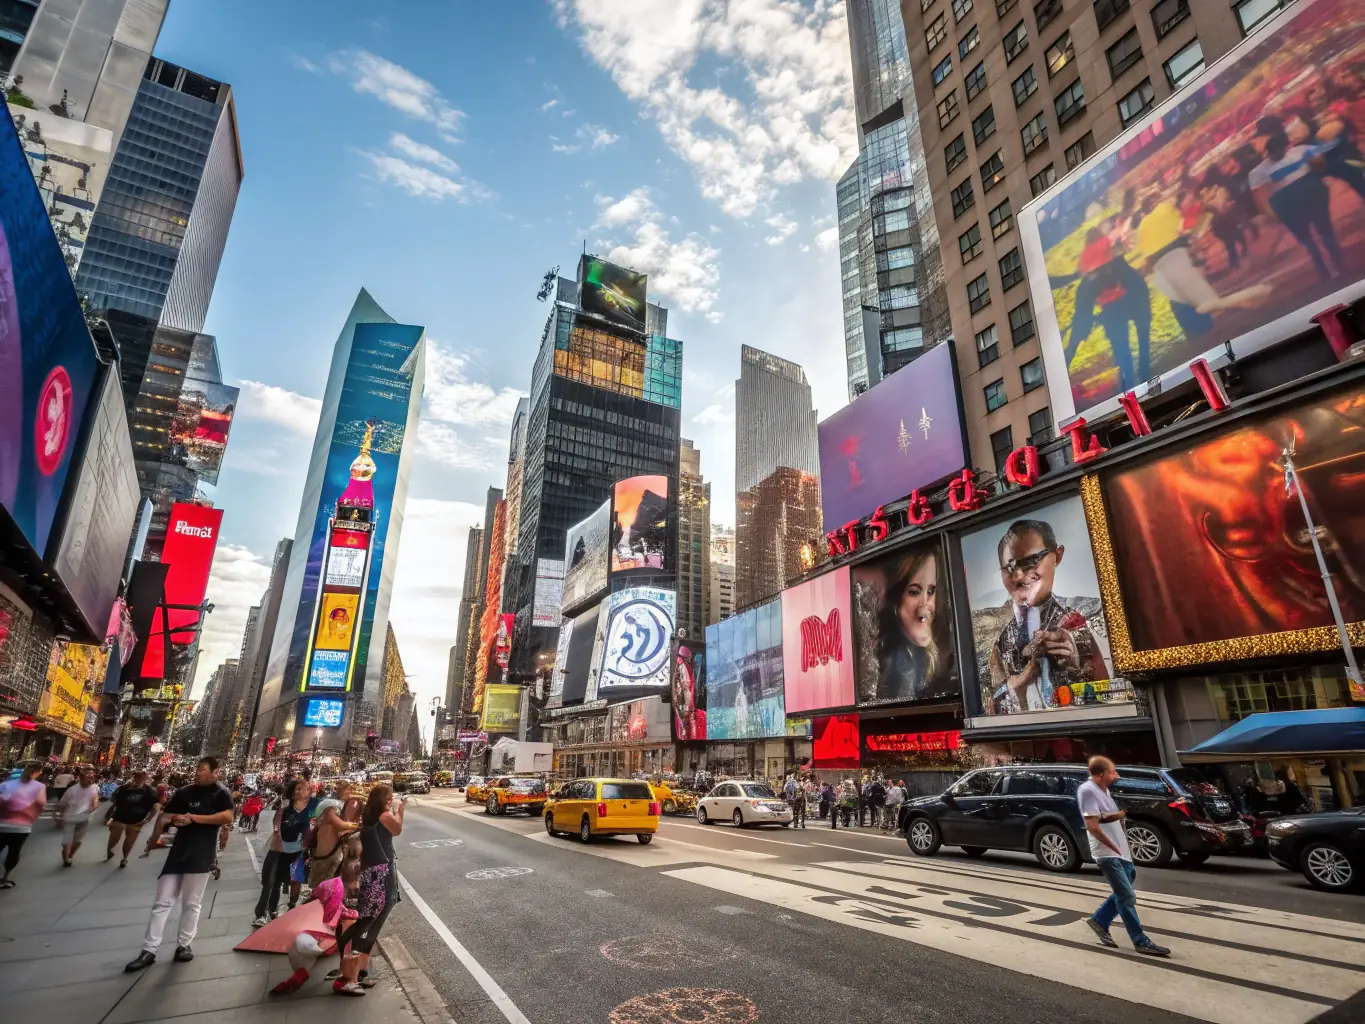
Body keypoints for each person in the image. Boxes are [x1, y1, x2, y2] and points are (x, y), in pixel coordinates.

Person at [988, 519, 1110, 715]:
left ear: (1057, 556)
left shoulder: (1093, 612)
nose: (1018, 576)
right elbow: (991, 707)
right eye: (1009, 568)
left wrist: (1078, 647)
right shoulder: (1000, 643)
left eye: (1030, 561)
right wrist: (1016, 684)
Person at [125, 757, 235, 971]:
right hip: (178, 852)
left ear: (215, 772)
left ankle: (184, 945)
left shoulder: (220, 793)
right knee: (163, 901)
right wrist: (174, 822)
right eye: (197, 769)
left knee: (192, 903)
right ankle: (149, 949)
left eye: (203, 770)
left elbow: (227, 817)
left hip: (202, 854)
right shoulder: (185, 792)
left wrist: (194, 818)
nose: (198, 773)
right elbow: (166, 815)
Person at [1079, 757, 1169, 958]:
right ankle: (1140, 941)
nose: (1117, 775)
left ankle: (1100, 920)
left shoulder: (1104, 789)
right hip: (1106, 853)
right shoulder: (1088, 792)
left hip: (1120, 851)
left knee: (1125, 888)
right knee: (1127, 895)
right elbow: (1093, 825)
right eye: (1112, 772)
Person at [336, 784, 405, 997]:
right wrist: (400, 810)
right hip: (381, 876)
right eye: (388, 798)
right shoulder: (384, 816)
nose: (390, 800)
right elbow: (397, 829)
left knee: (370, 923)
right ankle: (349, 976)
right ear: (382, 801)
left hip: (372, 874)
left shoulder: (370, 819)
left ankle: (361, 971)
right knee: (368, 924)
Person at [270, 858, 362, 996]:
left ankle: (299, 976)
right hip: (318, 938)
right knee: (349, 931)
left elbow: (312, 901)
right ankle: (343, 981)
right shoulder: (339, 893)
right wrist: (352, 914)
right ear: (355, 879)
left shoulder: (329, 883)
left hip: (302, 934)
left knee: (304, 958)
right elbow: (331, 920)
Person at [875, 550, 949, 703]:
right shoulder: (879, 661)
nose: (926, 605)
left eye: (931, 591)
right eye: (914, 592)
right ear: (896, 601)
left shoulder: (948, 652)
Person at [254, 778, 316, 927]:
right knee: (271, 881)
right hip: (278, 849)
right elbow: (275, 821)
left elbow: (316, 823)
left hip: (298, 851)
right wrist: (276, 829)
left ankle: (291, 908)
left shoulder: (313, 806)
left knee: (295, 881)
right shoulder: (285, 807)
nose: (303, 792)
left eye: (306, 789)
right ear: (293, 792)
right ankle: (266, 912)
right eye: (299, 789)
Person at [0, 762, 47, 889]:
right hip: (22, 827)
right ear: (37, 772)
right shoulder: (39, 786)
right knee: (14, 851)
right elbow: (41, 804)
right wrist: (33, 817)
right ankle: (4, 878)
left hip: (2, 824)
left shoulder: (5, 784)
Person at [307, 780, 360, 887]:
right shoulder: (330, 809)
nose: (350, 793)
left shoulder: (340, 810)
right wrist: (358, 826)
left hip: (333, 856)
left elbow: (342, 831)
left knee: (330, 888)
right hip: (323, 858)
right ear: (340, 791)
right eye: (348, 790)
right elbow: (342, 826)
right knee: (320, 889)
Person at [105, 769, 161, 868]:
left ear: (144, 778)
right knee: (114, 839)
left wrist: (148, 819)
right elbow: (114, 801)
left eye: (141, 777)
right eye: (137, 776)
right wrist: (109, 816)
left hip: (136, 821)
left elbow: (156, 806)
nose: (138, 779)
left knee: (129, 841)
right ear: (134, 777)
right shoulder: (124, 788)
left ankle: (124, 858)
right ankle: (111, 851)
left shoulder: (149, 791)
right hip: (120, 818)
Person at [56, 767, 101, 866]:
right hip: (70, 817)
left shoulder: (95, 788)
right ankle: (66, 860)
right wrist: (60, 817)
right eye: (88, 777)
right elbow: (62, 804)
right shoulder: (72, 790)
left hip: (84, 818)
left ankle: (71, 855)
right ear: (81, 778)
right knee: (66, 842)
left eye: (92, 778)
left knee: (77, 841)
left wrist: (94, 807)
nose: (90, 780)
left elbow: (95, 800)